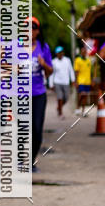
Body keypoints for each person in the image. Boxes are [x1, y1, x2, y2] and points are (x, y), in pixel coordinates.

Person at [30, 17, 53, 170]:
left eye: (32, 28)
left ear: (37, 31)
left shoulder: (43, 47)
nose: (29, 31)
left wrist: (44, 64)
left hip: (38, 94)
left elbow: (50, 72)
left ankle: (31, 160)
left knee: (37, 129)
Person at [51, 45, 75, 118]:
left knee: (66, 98)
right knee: (60, 97)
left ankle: (59, 107)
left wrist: (73, 80)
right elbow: (52, 73)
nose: (60, 54)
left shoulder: (67, 60)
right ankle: (61, 113)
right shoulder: (54, 62)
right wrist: (51, 84)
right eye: (58, 53)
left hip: (66, 82)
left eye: (61, 52)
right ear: (56, 54)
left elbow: (71, 70)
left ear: (63, 53)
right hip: (57, 82)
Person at [74, 45, 93, 116]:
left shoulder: (88, 61)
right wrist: (76, 81)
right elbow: (76, 71)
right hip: (81, 81)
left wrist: (92, 80)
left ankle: (83, 111)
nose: (84, 53)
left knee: (85, 96)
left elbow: (90, 72)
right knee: (82, 94)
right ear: (81, 52)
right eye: (83, 51)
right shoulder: (78, 60)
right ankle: (77, 107)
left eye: (85, 52)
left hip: (87, 81)